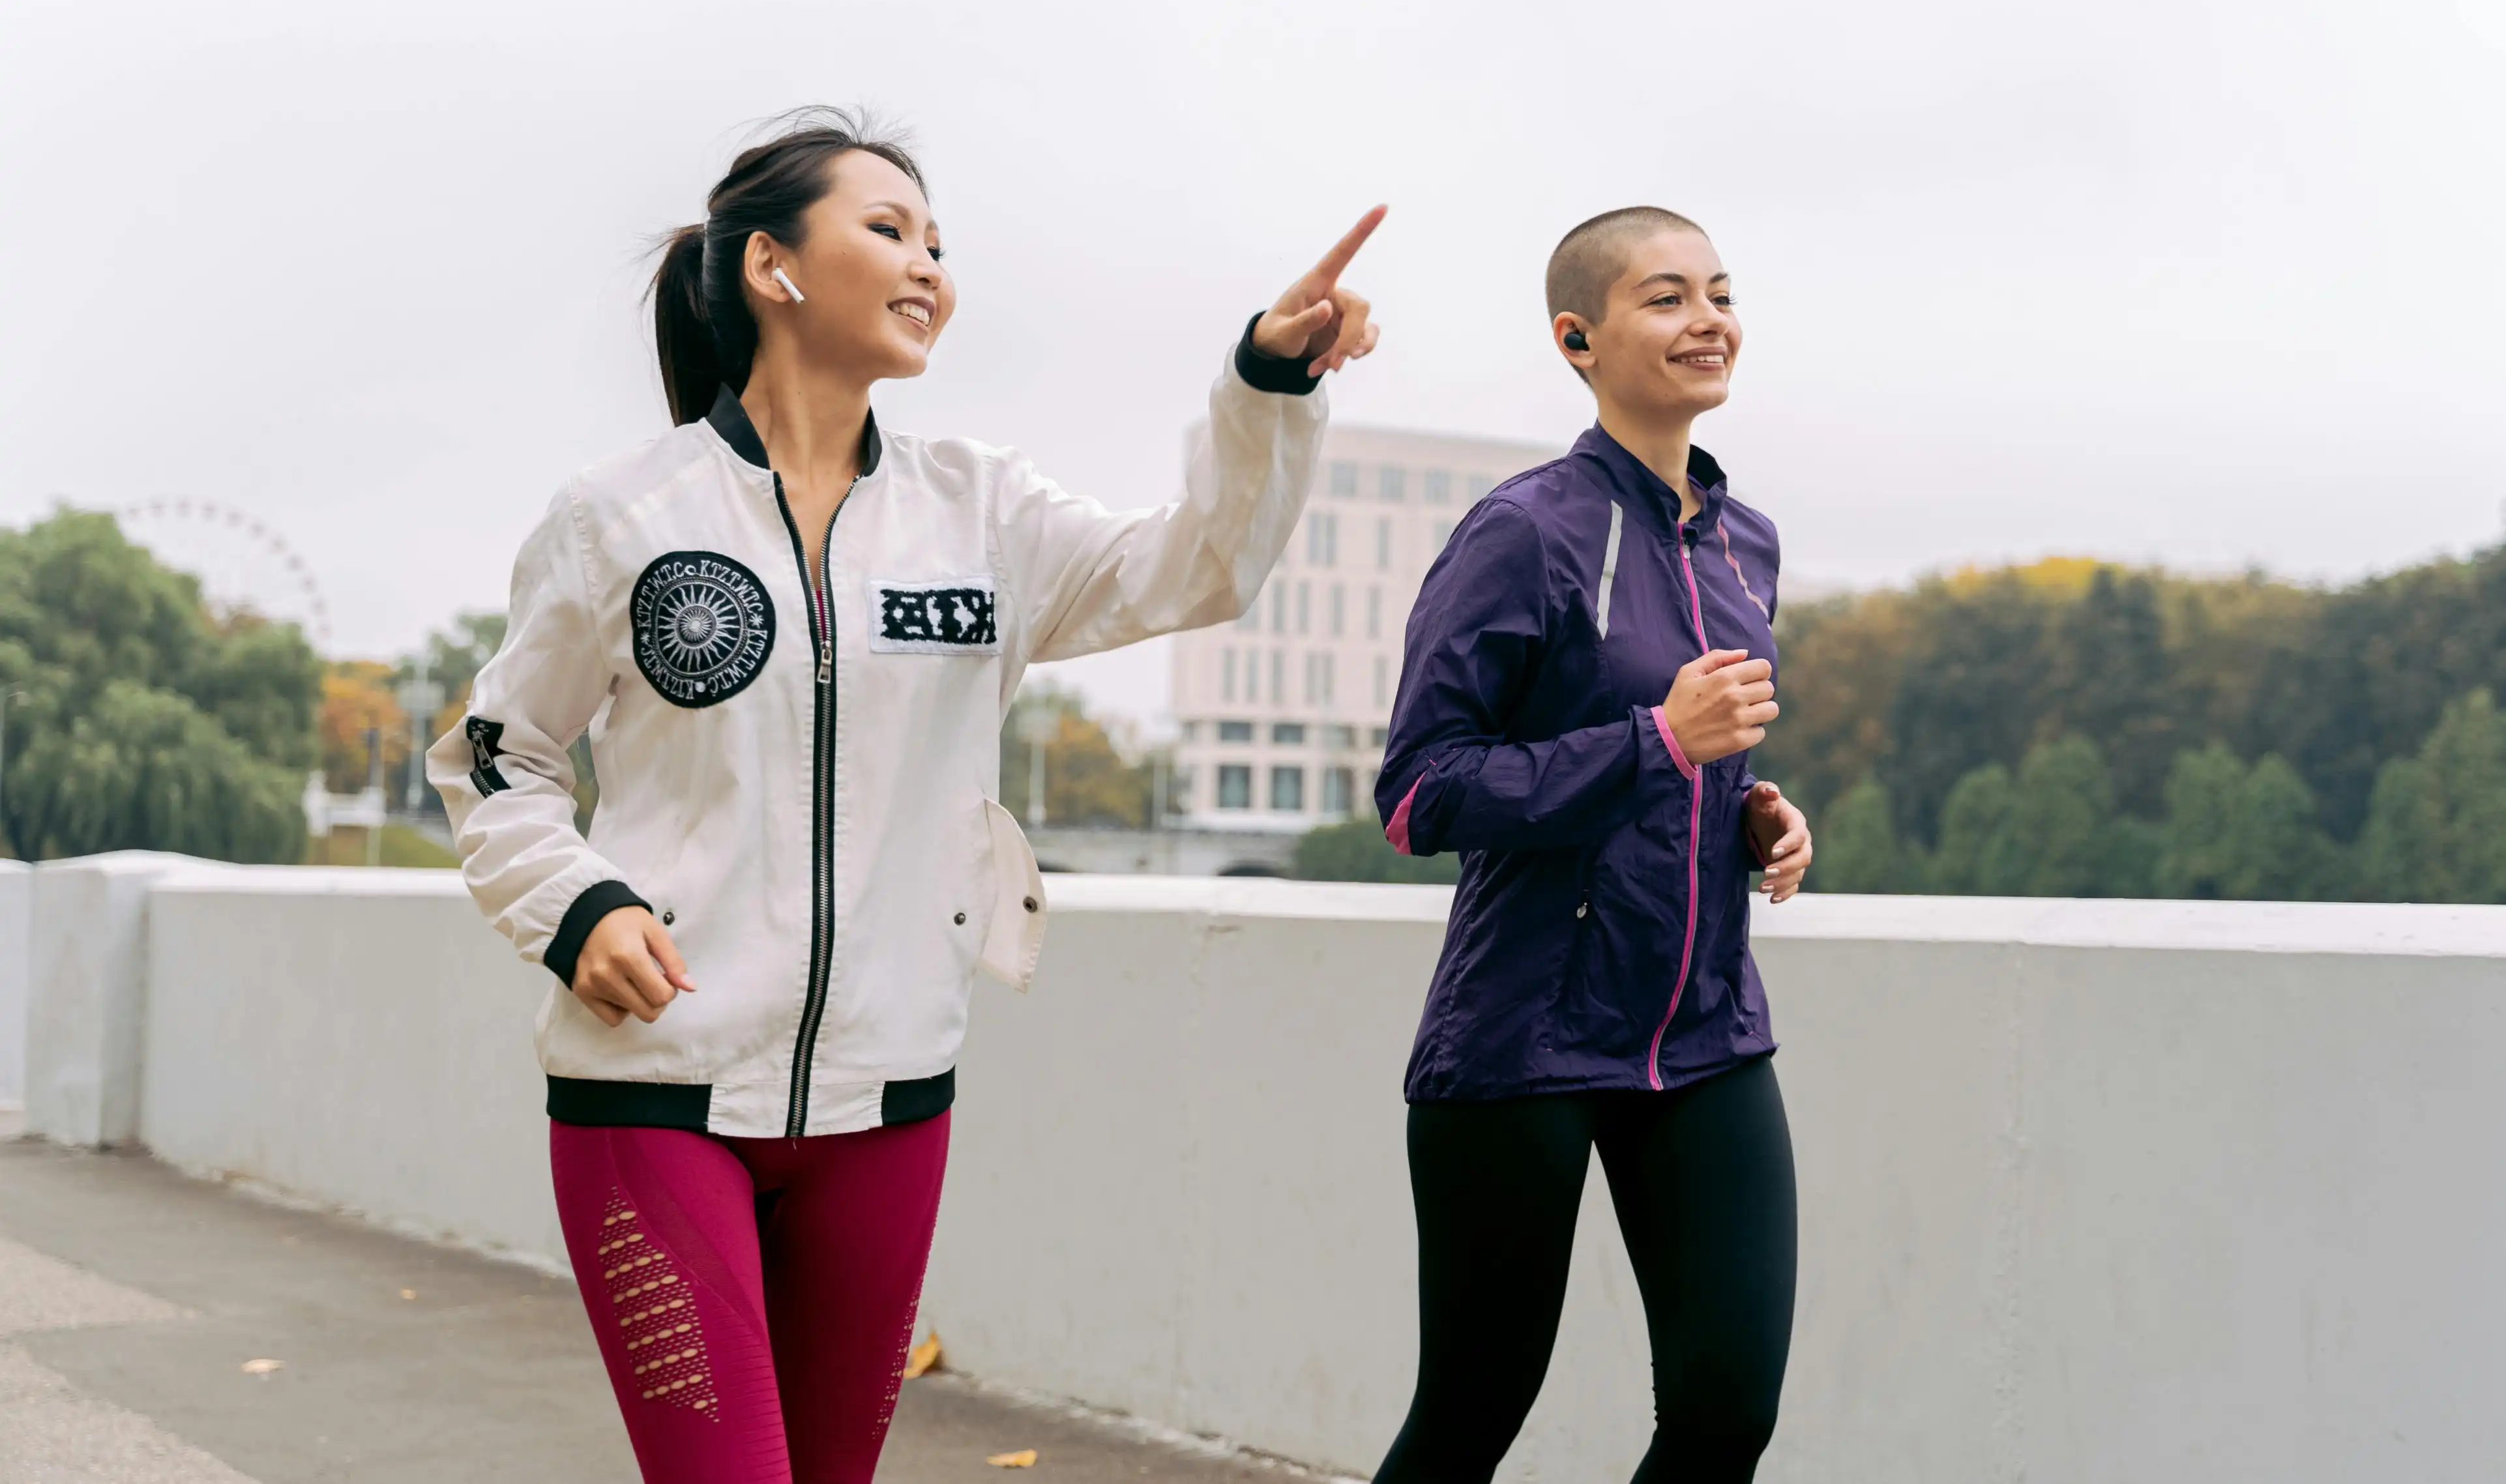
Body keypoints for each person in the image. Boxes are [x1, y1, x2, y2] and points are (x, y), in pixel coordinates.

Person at [426, 109, 1383, 1483]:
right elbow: (494, 755)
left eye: (938, 241)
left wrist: (1268, 383)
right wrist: (578, 908)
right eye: (888, 230)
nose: (929, 264)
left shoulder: (981, 513)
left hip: (891, 1102)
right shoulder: (622, 517)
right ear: (773, 266)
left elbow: (1200, 568)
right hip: (657, 1093)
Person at [1368, 205, 1813, 1480]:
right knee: (1471, 1413)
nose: (1707, 319)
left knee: (1726, 1412)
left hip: (1704, 1030)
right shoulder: (1524, 532)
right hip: (1525, 1034)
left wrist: (1749, 807)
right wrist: (1658, 744)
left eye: (1720, 293)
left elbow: (1694, 748)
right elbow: (1419, 794)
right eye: (1666, 297)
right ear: (1577, 339)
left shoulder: (1746, 540)